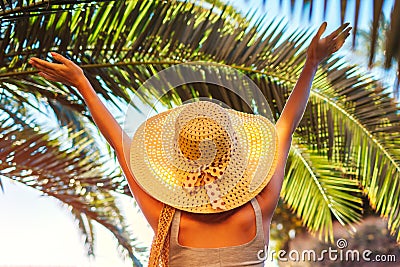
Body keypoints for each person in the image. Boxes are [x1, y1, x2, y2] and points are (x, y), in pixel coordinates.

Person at [29, 21, 351, 266]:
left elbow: (119, 143)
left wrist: (83, 84)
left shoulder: (168, 223)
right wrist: (311, 64)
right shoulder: (259, 211)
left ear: (180, 161)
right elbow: (285, 127)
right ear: (235, 155)